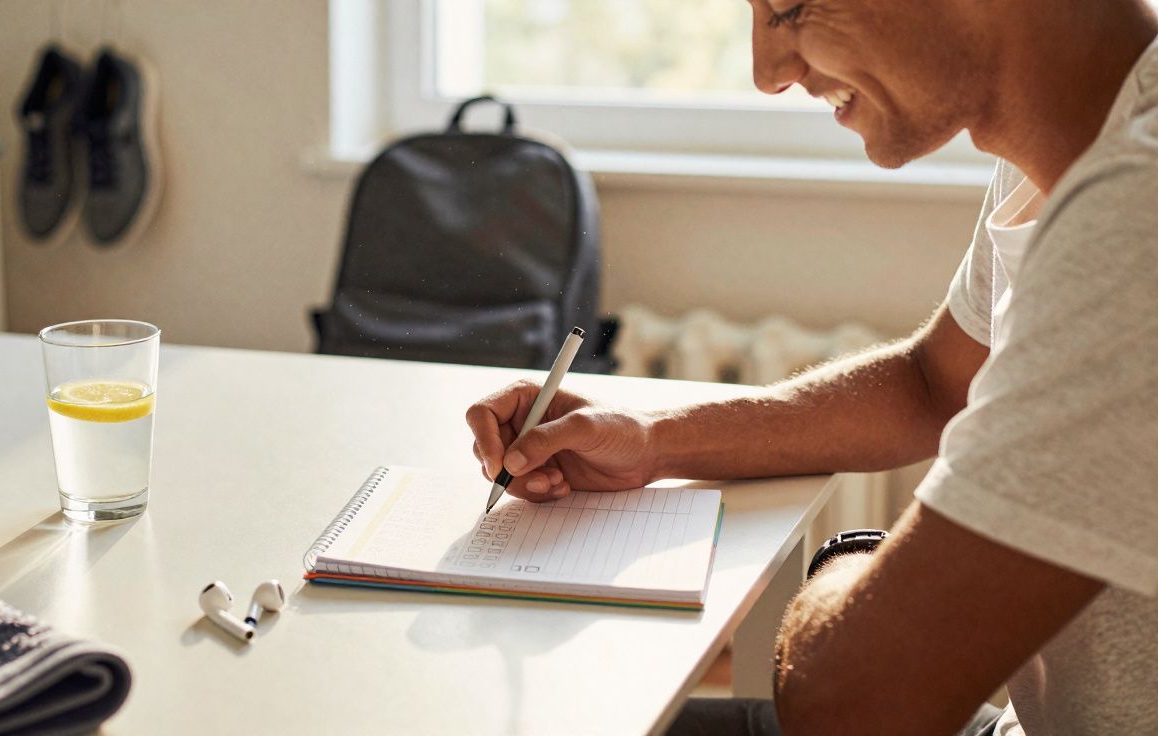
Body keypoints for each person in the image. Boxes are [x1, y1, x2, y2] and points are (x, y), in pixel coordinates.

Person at [464, 0, 1158, 733]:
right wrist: (652, 439)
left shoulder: (1136, 212)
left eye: (790, 8)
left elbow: (851, 702)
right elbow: (934, 384)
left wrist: (858, 559)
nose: (769, 72)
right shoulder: (1066, 150)